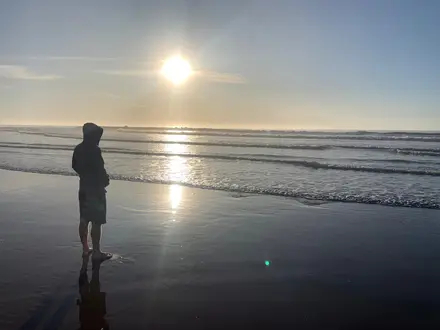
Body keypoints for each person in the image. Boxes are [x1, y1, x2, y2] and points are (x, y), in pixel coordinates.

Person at [72, 122, 112, 261]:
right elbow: (100, 169)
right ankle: (96, 252)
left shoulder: (78, 148)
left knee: (84, 219)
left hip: (83, 188)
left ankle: (85, 248)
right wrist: (105, 180)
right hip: (96, 190)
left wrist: (84, 175)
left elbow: (74, 166)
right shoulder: (95, 150)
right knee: (97, 221)